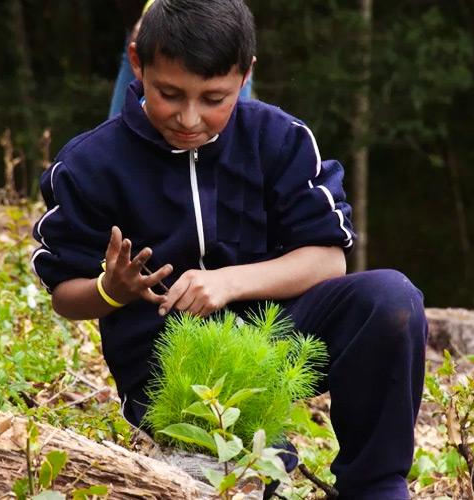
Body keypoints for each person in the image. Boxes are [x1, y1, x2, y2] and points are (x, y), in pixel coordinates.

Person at [31, 0, 427, 498]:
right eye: (169, 94)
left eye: (214, 98)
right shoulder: (90, 163)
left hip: (277, 338)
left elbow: (329, 258)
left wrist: (228, 282)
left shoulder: (279, 139)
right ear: (137, 62)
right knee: (258, 474)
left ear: (246, 76)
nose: (189, 117)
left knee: (391, 299)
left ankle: (376, 487)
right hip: (172, 369)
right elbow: (65, 294)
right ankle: (260, 458)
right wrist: (112, 290)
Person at [108, 0, 252, 118]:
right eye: (169, 95)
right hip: (142, 30)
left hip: (213, 34)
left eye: (213, 99)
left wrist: (158, 7)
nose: (188, 121)